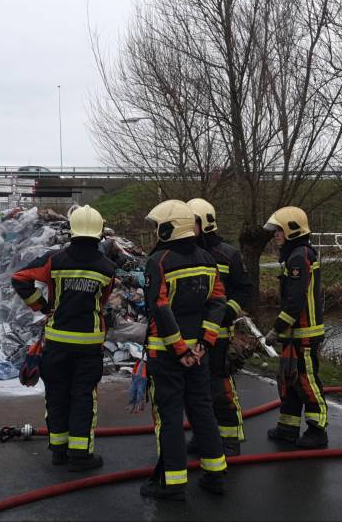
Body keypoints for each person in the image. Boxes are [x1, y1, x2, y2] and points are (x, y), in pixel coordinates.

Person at [11, 205, 116, 472]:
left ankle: (58, 450)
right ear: (100, 232)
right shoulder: (107, 268)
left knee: (57, 394)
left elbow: (19, 278)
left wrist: (42, 306)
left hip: (57, 343)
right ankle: (80, 456)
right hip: (88, 344)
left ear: (72, 229)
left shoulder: (54, 260)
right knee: (83, 397)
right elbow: (101, 304)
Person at [140, 200, 229, 500]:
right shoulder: (207, 258)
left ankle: (173, 482)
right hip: (199, 354)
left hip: (167, 354)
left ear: (168, 228)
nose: (155, 231)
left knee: (170, 416)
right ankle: (216, 475)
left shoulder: (159, 261)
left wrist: (179, 350)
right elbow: (217, 302)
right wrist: (203, 343)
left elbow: (161, 309)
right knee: (203, 411)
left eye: (157, 226)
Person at [186, 198, 253, 456]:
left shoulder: (228, 254)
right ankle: (203, 436)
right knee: (195, 391)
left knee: (220, 388)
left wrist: (228, 311)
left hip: (219, 335)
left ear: (202, 223)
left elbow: (244, 289)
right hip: (193, 335)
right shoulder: (186, 253)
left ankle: (230, 438)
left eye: (189, 222)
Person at [263, 206, 328, 448]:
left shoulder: (299, 256)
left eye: (278, 230)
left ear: (291, 229)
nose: (275, 235)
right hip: (295, 333)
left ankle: (318, 429)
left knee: (306, 379)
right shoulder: (296, 255)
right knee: (288, 380)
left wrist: (276, 328)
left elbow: (295, 300)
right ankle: (288, 427)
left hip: (304, 333)